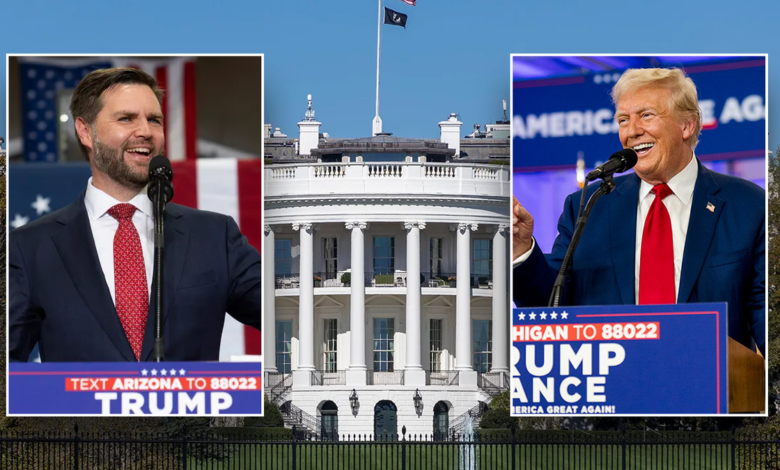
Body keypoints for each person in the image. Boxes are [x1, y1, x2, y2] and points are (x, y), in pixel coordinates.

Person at [9, 67, 262, 362]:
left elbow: (279, 311)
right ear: (85, 131)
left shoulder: (215, 236)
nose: (146, 132)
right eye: (126, 118)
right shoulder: (30, 248)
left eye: (154, 120)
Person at [512, 67, 765, 355]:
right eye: (623, 120)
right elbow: (552, 308)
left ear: (687, 126)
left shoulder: (747, 205)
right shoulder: (588, 206)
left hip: (717, 389)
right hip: (614, 389)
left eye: (646, 115)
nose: (631, 131)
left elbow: (766, 316)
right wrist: (522, 251)